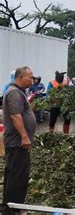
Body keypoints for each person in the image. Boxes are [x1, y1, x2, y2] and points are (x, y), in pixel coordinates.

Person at [2, 66, 36, 214]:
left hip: (17, 142)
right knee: (18, 175)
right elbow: (15, 116)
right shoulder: (14, 93)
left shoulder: (17, 92)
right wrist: (24, 136)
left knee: (14, 173)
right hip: (17, 142)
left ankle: (10, 205)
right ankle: (13, 208)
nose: (32, 80)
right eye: (30, 77)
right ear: (21, 77)